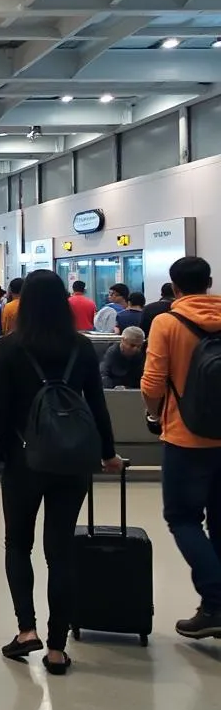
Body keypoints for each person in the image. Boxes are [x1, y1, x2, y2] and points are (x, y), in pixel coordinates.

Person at [0, 270, 122, 675]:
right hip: (73, 462)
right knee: (61, 553)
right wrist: (107, 452)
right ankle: (57, 648)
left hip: (24, 460)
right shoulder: (81, 347)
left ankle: (26, 631)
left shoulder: (10, 347)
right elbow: (97, 405)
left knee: (18, 545)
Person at [141, 256, 221, 639]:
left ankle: (216, 603)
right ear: (209, 282)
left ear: (174, 287)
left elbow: (152, 383)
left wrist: (154, 414)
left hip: (186, 437)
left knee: (184, 518)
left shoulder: (168, 322)